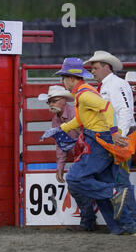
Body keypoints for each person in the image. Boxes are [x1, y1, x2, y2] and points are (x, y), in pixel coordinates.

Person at [54, 57, 136, 235]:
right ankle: (125, 226)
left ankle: (121, 209)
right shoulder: (90, 91)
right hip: (107, 139)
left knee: (82, 179)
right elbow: (87, 117)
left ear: (70, 78)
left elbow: (111, 109)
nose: (93, 71)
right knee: (109, 183)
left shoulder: (89, 92)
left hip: (107, 140)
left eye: (96, 67)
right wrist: (62, 128)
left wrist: (116, 133)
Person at [84, 51, 136, 224]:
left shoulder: (115, 85)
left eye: (95, 68)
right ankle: (128, 221)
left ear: (106, 67)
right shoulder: (111, 84)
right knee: (119, 180)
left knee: (121, 180)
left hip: (119, 137)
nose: (92, 71)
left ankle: (131, 221)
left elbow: (125, 111)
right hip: (113, 137)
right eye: (92, 68)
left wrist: (119, 137)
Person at [38, 85, 79, 183]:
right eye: (49, 102)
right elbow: (60, 145)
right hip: (81, 158)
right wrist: (60, 168)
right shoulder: (56, 120)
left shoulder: (75, 113)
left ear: (64, 101)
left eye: (54, 101)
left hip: (87, 155)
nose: (51, 104)